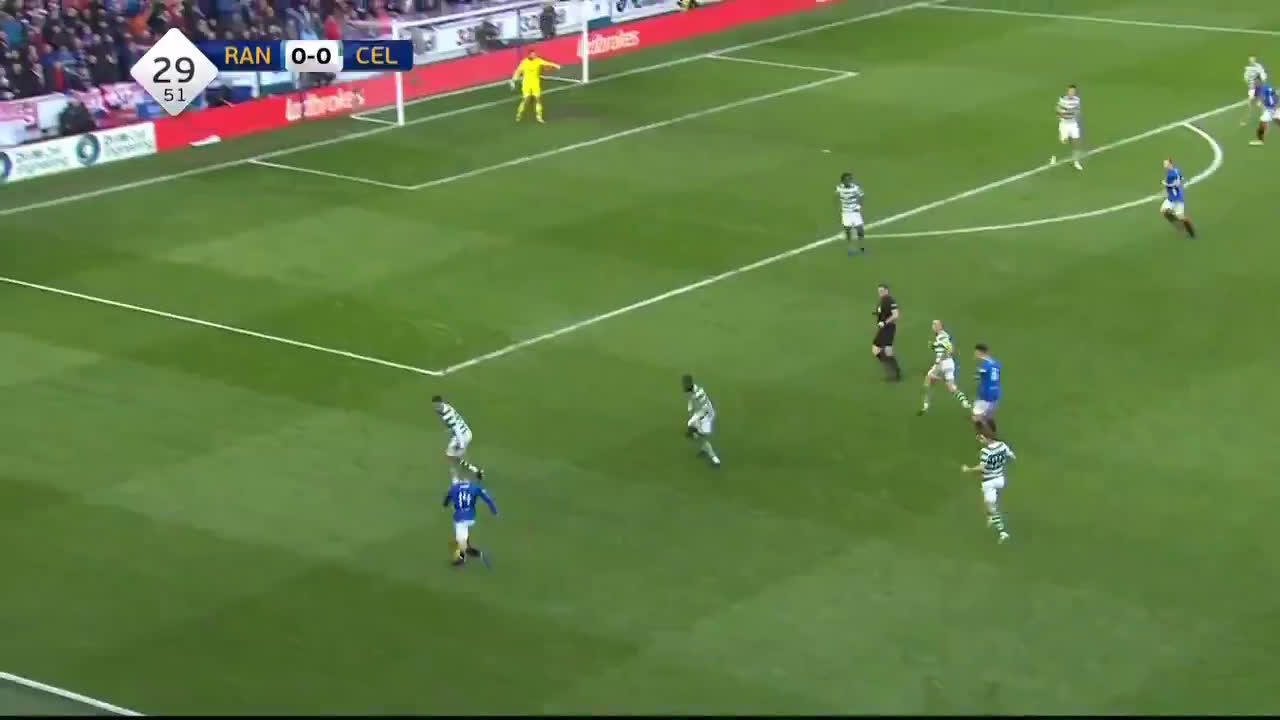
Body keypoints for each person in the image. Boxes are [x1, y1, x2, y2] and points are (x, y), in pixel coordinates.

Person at [961, 431, 1014, 544]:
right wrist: (1000, 463)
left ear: (987, 438)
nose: (980, 441)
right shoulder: (1002, 445)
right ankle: (990, 517)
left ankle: (1002, 532)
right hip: (1000, 479)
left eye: (981, 438)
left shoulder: (985, 451)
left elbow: (982, 468)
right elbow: (1011, 456)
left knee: (991, 507)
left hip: (989, 482)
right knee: (988, 502)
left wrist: (968, 469)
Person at [919, 319, 970, 416]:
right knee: (951, 387)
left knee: (928, 380)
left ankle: (925, 405)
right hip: (949, 363)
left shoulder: (942, 336)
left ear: (940, 326)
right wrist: (933, 346)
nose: (933, 326)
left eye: (935, 324)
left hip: (942, 363)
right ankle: (964, 401)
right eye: (933, 324)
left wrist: (940, 360)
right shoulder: (940, 336)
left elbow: (950, 349)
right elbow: (942, 347)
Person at [442, 478, 497, 567]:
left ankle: (471, 557)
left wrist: (445, 504)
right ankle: (465, 557)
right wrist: (494, 510)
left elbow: (446, 500)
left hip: (460, 518)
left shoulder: (454, 488)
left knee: (462, 544)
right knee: (463, 543)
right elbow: (487, 499)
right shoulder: (474, 487)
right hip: (471, 518)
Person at [432, 394, 486, 483]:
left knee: (456, 457)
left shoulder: (448, 415)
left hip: (463, 436)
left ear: (441, 403)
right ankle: (474, 471)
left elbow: (457, 429)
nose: (436, 407)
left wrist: (461, 445)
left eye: (437, 405)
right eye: (435, 405)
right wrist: (450, 429)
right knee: (452, 456)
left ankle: (463, 479)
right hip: (459, 434)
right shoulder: (441, 409)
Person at [682, 373, 721, 467]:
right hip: (703, 413)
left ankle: (715, 459)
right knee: (691, 425)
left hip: (706, 417)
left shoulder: (696, 396)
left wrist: (694, 420)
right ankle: (701, 445)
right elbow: (692, 404)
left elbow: (700, 410)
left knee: (702, 438)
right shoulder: (697, 389)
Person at [511, 49, 559, 123]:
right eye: (533, 55)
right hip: (526, 84)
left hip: (535, 83)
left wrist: (556, 65)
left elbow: (547, 63)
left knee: (538, 99)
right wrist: (514, 80)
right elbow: (518, 71)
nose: (535, 56)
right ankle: (519, 114)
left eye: (535, 54)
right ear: (529, 55)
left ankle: (539, 117)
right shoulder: (524, 62)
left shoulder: (538, 60)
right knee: (526, 100)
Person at [1160, 158, 1196, 238]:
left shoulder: (1170, 175)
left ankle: (1191, 232)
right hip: (1172, 198)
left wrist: (1165, 184)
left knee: (1181, 217)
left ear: (1170, 164)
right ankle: (1179, 225)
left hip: (1177, 199)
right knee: (1164, 211)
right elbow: (1181, 179)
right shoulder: (1176, 170)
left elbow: (1174, 184)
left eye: (1165, 164)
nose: (1164, 166)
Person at [872, 283, 901, 381]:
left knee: (887, 350)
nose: (880, 293)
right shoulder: (882, 301)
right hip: (883, 328)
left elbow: (895, 315)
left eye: (882, 291)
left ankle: (896, 373)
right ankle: (892, 369)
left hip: (889, 328)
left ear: (887, 290)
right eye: (879, 291)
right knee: (875, 349)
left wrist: (884, 322)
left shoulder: (890, 300)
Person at [1051, 83, 1083, 170]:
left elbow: (1077, 109)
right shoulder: (1063, 99)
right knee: (1063, 142)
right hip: (1064, 124)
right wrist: (1060, 115)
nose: (1071, 93)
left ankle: (1076, 161)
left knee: (1075, 142)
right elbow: (1057, 108)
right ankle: (1054, 157)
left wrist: (1076, 114)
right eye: (1070, 91)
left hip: (1073, 124)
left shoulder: (1077, 100)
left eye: (1073, 91)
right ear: (1068, 91)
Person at [971, 343, 1001, 436]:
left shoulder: (985, 365)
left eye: (976, 352)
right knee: (989, 417)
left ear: (980, 352)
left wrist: (977, 375)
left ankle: (982, 436)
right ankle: (994, 435)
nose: (975, 354)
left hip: (985, 395)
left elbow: (978, 375)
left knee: (976, 418)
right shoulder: (996, 363)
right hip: (995, 393)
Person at [836, 171, 865, 255]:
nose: (848, 181)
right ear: (842, 181)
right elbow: (836, 196)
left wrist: (859, 207)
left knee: (860, 230)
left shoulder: (855, 188)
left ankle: (862, 248)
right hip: (845, 212)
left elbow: (861, 196)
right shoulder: (839, 188)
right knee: (848, 230)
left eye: (849, 179)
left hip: (855, 211)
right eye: (846, 180)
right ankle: (850, 248)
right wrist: (839, 207)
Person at [1248, 81, 1278, 146]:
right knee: (1277, 120)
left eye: (1254, 84)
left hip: (1271, 109)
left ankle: (1260, 141)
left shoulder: (1263, 91)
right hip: (1272, 107)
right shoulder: (1265, 87)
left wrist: (1260, 103)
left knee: (1262, 124)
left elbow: (1264, 99)